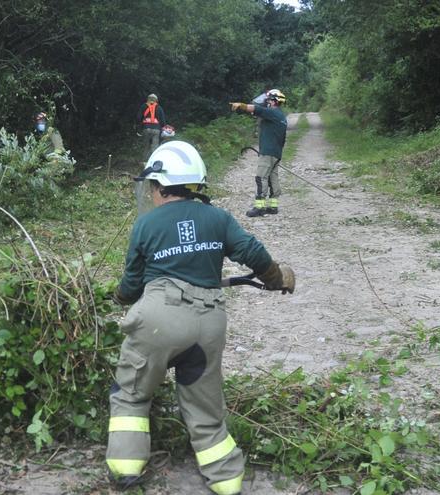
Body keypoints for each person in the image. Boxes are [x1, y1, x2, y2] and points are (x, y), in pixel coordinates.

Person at [107, 141, 295, 494]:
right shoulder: (218, 218)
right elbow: (251, 252)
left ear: (161, 187)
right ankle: (226, 478)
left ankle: (126, 467)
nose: (151, 194)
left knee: (132, 392)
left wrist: (119, 298)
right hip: (209, 323)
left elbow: (132, 283)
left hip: (160, 320)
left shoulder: (146, 225)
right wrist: (274, 278)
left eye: (152, 187)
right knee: (204, 402)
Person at [230, 89, 288, 217]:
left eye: (267, 100)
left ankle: (259, 207)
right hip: (276, 153)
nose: (266, 102)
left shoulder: (273, 113)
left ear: (273, 101)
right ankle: (273, 206)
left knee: (261, 177)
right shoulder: (280, 116)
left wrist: (242, 106)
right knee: (273, 178)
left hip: (268, 153)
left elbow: (257, 109)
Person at [136, 93, 166, 159]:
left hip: (146, 129)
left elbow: (138, 118)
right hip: (156, 130)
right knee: (155, 146)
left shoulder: (144, 106)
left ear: (148, 99)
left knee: (146, 146)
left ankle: (145, 162)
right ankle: (154, 161)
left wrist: (138, 127)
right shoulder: (159, 108)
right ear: (156, 100)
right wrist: (163, 129)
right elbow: (163, 121)